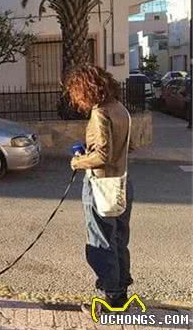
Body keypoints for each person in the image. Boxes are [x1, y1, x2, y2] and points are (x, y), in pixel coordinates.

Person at [65, 65, 133, 315]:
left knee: (100, 241)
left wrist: (78, 161)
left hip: (101, 184)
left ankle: (109, 299)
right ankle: (121, 293)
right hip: (122, 182)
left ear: (85, 89)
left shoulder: (101, 112)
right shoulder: (120, 109)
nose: (76, 99)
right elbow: (128, 146)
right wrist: (90, 148)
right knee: (118, 239)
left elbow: (103, 155)